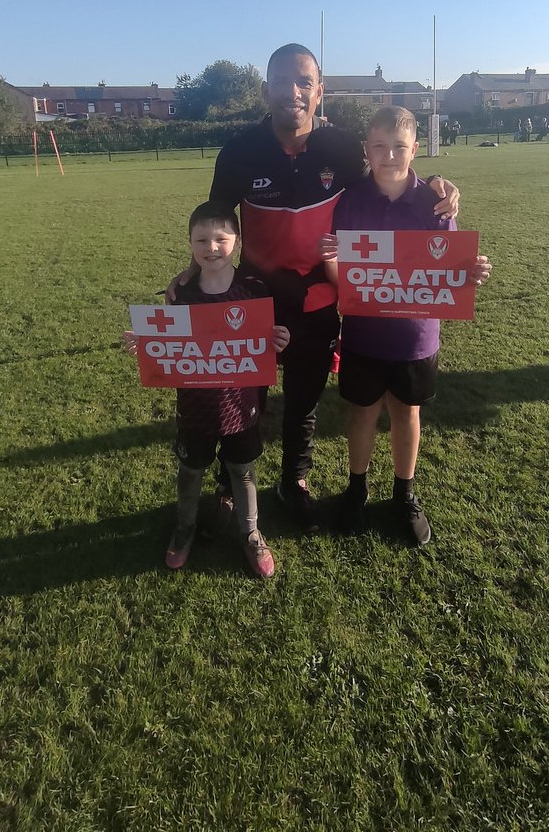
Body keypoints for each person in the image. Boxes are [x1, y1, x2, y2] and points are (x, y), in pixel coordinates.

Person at [174, 44, 460, 530]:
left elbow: (387, 177)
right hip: (254, 296)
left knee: (304, 400)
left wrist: (435, 182)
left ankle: (294, 481)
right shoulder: (239, 151)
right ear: (265, 90)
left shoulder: (341, 148)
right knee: (241, 395)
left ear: (319, 91)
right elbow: (217, 223)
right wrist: (193, 272)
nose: (293, 92)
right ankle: (228, 485)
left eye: (304, 82)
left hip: (319, 296)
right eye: (282, 82)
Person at [319, 106, 491, 546]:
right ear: (366, 151)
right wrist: (338, 273)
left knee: (406, 413)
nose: (389, 156)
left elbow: (449, 266)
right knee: (361, 413)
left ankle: (404, 493)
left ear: (416, 149)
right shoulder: (350, 199)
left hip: (416, 337)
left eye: (399, 147)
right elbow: (341, 273)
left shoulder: (435, 202)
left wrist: (468, 273)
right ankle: (356, 490)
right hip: (363, 332)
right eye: (379, 147)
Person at [128, 202, 289, 577]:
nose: (211, 247)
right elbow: (167, 338)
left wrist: (280, 339)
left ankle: (250, 532)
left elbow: (264, 340)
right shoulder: (181, 293)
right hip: (195, 406)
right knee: (190, 471)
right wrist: (145, 340)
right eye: (202, 239)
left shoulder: (253, 289)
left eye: (221, 238)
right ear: (189, 243)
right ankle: (184, 530)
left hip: (242, 406)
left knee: (243, 470)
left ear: (237, 241)